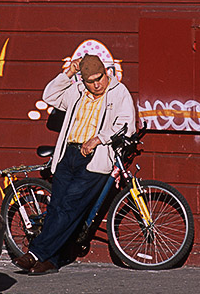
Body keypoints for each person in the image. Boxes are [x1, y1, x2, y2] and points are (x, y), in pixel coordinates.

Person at [12, 54, 135, 275]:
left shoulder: (118, 92)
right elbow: (49, 95)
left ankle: (36, 253)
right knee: (57, 207)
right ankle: (52, 261)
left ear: (107, 73)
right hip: (68, 155)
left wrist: (98, 138)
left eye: (100, 78)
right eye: (91, 80)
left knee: (70, 207)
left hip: (94, 158)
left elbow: (127, 124)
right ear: (83, 80)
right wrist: (68, 72)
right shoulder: (77, 91)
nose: (97, 84)